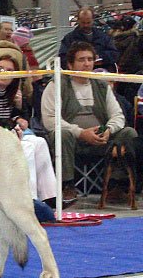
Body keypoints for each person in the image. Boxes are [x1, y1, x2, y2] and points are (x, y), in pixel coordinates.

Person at [41, 41, 138, 199]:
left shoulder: (101, 85)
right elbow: (50, 120)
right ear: (70, 65)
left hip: (101, 138)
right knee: (62, 134)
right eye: (81, 60)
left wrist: (108, 130)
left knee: (128, 133)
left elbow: (118, 116)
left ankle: (117, 185)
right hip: (72, 140)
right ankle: (67, 186)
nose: (87, 64)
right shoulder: (56, 85)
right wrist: (80, 133)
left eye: (90, 59)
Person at [0, 52, 66, 208]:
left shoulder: (13, 94)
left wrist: (19, 112)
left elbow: (16, 118)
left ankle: (51, 197)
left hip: (6, 134)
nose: (4, 73)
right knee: (26, 147)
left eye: (10, 70)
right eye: (0, 69)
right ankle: (29, 200)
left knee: (40, 142)